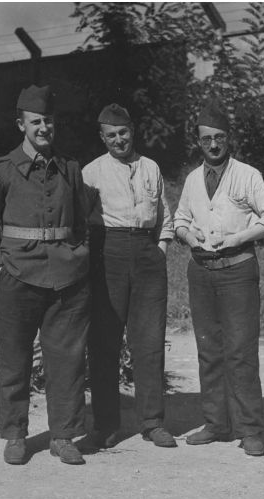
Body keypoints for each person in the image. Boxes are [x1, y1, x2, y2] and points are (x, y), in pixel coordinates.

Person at [0, 85, 91, 466]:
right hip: (18, 277)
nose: (44, 127)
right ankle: (16, 435)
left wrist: (79, 256)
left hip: (66, 279)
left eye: (49, 121)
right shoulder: (1, 170)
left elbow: (82, 223)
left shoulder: (70, 168)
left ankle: (63, 435)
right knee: (14, 360)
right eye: (36, 121)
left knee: (67, 361)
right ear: (20, 123)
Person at [174, 100, 264, 456]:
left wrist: (239, 237)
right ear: (198, 142)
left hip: (237, 271)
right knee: (209, 351)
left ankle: (250, 429)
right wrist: (188, 235)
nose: (214, 145)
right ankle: (217, 423)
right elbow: (179, 219)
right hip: (201, 273)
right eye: (207, 139)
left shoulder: (247, 175)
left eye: (220, 138)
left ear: (229, 138)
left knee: (240, 351)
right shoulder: (192, 179)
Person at [81, 103, 177, 449]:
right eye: (111, 135)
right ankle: (106, 425)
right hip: (110, 254)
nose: (118, 140)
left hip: (148, 254)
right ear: (102, 137)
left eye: (123, 133)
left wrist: (161, 249)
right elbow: (83, 223)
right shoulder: (92, 173)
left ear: (132, 131)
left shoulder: (150, 167)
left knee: (149, 341)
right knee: (105, 342)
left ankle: (153, 422)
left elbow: (165, 215)